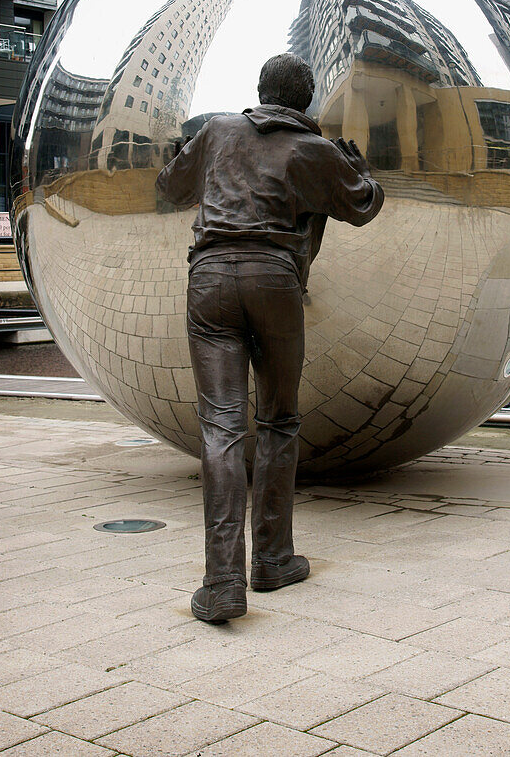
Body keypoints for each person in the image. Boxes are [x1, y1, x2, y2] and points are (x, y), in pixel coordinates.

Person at [156, 53, 384, 624]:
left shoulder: (218, 130)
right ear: (304, 102)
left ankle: (222, 580)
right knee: (279, 419)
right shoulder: (316, 150)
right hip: (275, 281)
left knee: (221, 427)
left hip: (209, 279)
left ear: (259, 89)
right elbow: (363, 206)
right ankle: (274, 559)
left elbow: (170, 187)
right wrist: (361, 171)